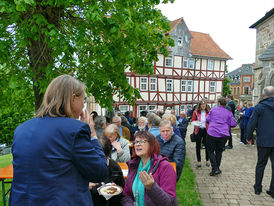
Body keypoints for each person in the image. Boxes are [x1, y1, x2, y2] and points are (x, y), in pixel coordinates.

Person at [9, 74, 108, 206]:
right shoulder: (75, 130)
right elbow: (99, 172)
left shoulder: (21, 130)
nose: (83, 106)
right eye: (83, 100)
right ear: (73, 98)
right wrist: (93, 135)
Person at [122, 131, 178, 206]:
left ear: (152, 144)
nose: (138, 144)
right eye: (136, 142)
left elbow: (169, 203)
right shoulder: (134, 165)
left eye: (142, 141)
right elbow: (127, 194)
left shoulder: (165, 167)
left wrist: (152, 187)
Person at [245, 86, 274, 197]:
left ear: (263, 95)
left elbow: (252, 123)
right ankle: (272, 190)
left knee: (261, 164)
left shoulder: (260, 107)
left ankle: (258, 188)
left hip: (264, 140)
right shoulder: (259, 107)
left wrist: (249, 136)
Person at [90, 135, 125, 206]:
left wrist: (115, 189)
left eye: (105, 159)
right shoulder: (85, 166)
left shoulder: (114, 167)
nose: (101, 162)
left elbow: (122, 189)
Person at [206, 97, 237, 176]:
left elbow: (207, 119)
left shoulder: (213, 110)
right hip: (223, 135)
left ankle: (215, 168)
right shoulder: (229, 113)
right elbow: (233, 124)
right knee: (219, 151)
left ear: (219, 103)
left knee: (210, 151)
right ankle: (216, 169)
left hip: (212, 133)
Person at [192, 100, 210, 168]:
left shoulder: (209, 112)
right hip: (198, 130)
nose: (203, 106)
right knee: (198, 145)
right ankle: (199, 161)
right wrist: (196, 122)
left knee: (207, 145)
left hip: (206, 130)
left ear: (206, 105)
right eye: (202, 104)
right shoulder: (195, 112)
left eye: (204, 104)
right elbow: (193, 121)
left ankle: (207, 160)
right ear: (199, 105)